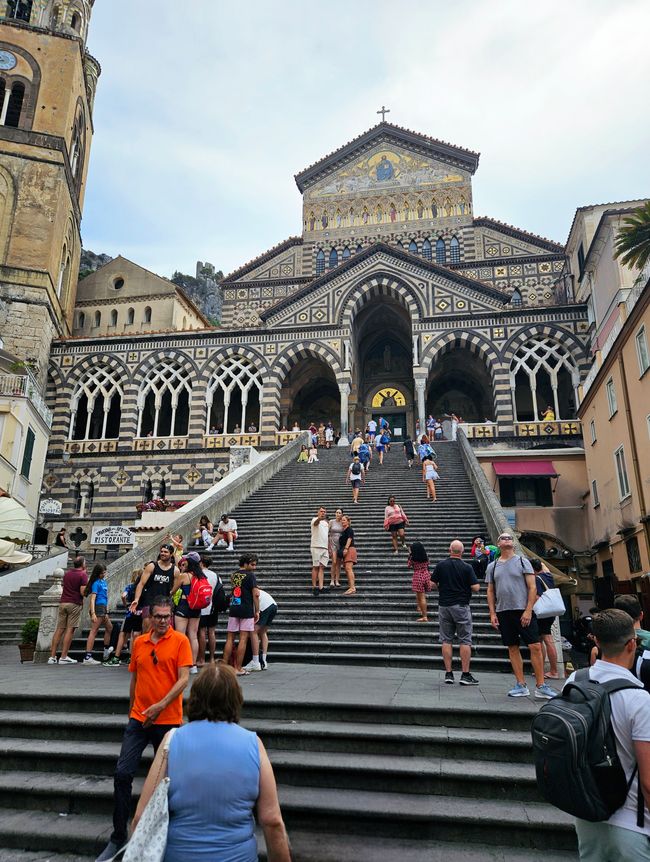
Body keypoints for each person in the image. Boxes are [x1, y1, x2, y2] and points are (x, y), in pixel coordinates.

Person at [132, 663, 291, 862]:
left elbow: (141, 817)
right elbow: (272, 821)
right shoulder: (253, 744)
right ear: (236, 699)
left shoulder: (171, 741)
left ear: (195, 698)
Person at [94, 596, 192, 862]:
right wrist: (131, 712)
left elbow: (184, 679)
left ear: (171, 616)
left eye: (166, 616)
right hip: (139, 720)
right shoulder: (139, 643)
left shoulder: (181, 642)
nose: (162, 621)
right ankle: (118, 836)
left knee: (171, 782)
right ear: (150, 617)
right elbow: (135, 679)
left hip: (168, 719)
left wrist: (160, 706)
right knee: (122, 773)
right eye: (157, 616)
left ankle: (170, 835)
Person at [565, 609, 650, 861]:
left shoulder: (574, 680)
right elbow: (647, 782)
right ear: (632, 643)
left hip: (587, 814)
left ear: (596, 641)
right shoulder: (639, 699)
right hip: (632, 822)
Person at [485, 532, 558, 699]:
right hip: (504, 611)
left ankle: (541, 685)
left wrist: (528, 610)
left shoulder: (522, 561)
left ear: (513, 544)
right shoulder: (493, 566)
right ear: (498, 544)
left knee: (535, 646)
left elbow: (532, 587)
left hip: (523, 609)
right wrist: (492, 613)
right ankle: (521, 684)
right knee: (512, 647)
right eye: (503, 538)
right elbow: (490, 591)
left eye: (509, 538)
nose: (507, 539)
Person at [431, 540, 481, 684]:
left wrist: (442, 587)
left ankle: (449, 674)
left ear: (449, 550)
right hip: (461, 605)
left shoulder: (441, 565)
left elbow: (432, 584)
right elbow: (476, 587)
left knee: (446, 639)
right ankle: (465, 675)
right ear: (462, 552)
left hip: (444, 605)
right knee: (465, 639)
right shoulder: (467, 567)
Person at [222, 553, 260, 676]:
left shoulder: (234, 575)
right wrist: (257, 610)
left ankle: (225, 666)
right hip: (246, 609)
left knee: (230, 638)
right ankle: (238, 668)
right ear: (246, 563)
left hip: (234, 607)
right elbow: (256, 594)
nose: (254, 567)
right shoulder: (250, 576)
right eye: (252, 564)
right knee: (243, 638)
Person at [48, 559, 88, 665]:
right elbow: (82, 592)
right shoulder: (82, 575)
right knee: (70, 630)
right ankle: (63, 656)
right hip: (74, 603)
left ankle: (52, 657)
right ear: (83, 564)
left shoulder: (67, 574)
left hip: (63, 602)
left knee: (59, 629)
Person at [130, 544, 179, 627]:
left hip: (164, 605)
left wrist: (169, 598)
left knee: (163, 631)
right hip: (149, 603)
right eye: (161, 551)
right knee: (147, 630)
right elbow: (141, 584)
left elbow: (175, 589)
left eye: (165, 552)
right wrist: (136, 599)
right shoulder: (152, 566)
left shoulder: (175, 570)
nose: (162, 553)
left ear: (171, 554)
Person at [172, 552, 205, 674]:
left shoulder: (184, 576)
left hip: (184, 605)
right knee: (193, 635)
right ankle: (193, 665)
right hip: (196, 607)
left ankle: (180, 662)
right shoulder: (201, 575)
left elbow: (173, 591)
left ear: (189, 562)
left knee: (180, 635)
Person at [106, 569, 143, 666]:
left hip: (130, 613)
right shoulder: (144, 588)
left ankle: (116, 657)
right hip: (139, 612)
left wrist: (126, 605)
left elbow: (123, 596)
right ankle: (133, 656)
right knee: (136, 634)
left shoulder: (130, 587)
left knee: (123, 634)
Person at [530, 558, 560, 680]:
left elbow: (537, 596)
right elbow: (543, 566)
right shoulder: (548, 575)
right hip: (550, 612)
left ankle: (553, 671)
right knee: (543, 639)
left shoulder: (536, 579)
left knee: (546, 640)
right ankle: (542, 669)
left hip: (542, 613)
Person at [83, 563, 114, 665]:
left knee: (109, 627)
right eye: (102, 573)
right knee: (94, 631)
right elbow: (92, 599)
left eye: (104, 572)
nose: (104, 574)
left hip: (103, 607)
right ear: (98, 573)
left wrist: (107, 609)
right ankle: (88, 656)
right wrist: (93, 613)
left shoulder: (103, 582)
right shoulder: (96, 583)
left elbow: (105, 596)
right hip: (98, 607)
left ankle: (105, 650)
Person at [244, 586, 277, 672]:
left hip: (264, 606)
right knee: (263, 632)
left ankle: (255, 662)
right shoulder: (253, 588)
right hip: (272, 605)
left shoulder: (249, 590)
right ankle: (263, 660)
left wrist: (257, 611)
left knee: (253, 631)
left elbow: (256, 596)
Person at [197, 554, 219, 668]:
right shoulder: (216, 575)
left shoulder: (198, 575)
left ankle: (201, 659)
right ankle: (211, 658)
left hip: (201, 607)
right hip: (213, 607)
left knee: (201, 632)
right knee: (211, 632)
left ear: (201, 563)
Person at [407, 541, 432, 622]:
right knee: (419, 594)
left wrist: (410, 555)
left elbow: (408, 565)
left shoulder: (413, 557)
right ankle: (419, 607)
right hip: (426, 574)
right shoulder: (426, 556)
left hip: (418, 576)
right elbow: (428, 563)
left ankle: (425, 616)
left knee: (422, 597)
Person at [310, 507, 329, 596]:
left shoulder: (326, 523)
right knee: (315, 567)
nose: (323, 513)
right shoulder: (314, 519)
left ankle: (321, 587)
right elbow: (316, 522)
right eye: (321, 511)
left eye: (324, 512)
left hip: (324, 547)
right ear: (318, 512)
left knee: (322, 567)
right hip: (316, 546)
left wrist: (328, 547)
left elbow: (326, 536)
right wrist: (319, 518)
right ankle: (314, 587)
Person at [339, 515, 357, 596]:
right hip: (345, 550)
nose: (342, 521)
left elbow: (349, 539)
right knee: (347, 569)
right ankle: (351, 587)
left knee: (348, 568)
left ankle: (352, 588)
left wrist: (346, 548)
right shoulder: (343, 530)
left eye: (344, 520)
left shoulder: (349, 529)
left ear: (348, 522)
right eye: (342, 520)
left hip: (349, 549)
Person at [328, 508, 345, 589]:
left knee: (339, 563)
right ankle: (332, 580)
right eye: (336, 512)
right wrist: (328, 545)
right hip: (332, 543)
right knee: (334, 562)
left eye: (339, 513)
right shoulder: (331, 521)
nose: (338, 514)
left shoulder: (343, 522)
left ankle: (337, 580)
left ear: (342, 514)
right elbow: (326, 532)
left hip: (340, 544)